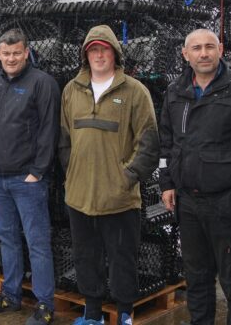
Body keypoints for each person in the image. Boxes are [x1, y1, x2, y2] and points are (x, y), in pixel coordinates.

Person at [59, 25, 159, 325]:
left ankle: (124, 314)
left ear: (115, 54)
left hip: (119, 200)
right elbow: (63, 140)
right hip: (79, 197)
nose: (98, 54)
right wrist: (73, 173)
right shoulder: (71, 90)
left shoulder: (135, 91)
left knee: (122, 259)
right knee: (85, 257)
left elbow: (149, 144)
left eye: (104, 49)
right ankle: (92, 314)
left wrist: (125, 178)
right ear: (85, 55)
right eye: (93, 49)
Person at [159, 29, 231, 325]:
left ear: (220, 49)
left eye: (209, 47)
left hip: (226, 202)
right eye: (197, 48)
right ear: (185, 54)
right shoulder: (175, 92)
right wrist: (167, 184)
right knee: (197, 279)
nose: (204, 53)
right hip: (188, 203)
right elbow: (167, 141)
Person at [0, 29, 60, 325]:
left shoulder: (42, 83)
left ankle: (44, 304)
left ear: (27, 52)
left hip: (27, 180)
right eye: (5, 53)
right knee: (7, 239)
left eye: (16, 53)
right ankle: (10, 296)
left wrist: (37, 172)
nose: (11, 58)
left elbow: (49, 132)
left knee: (37, 242)